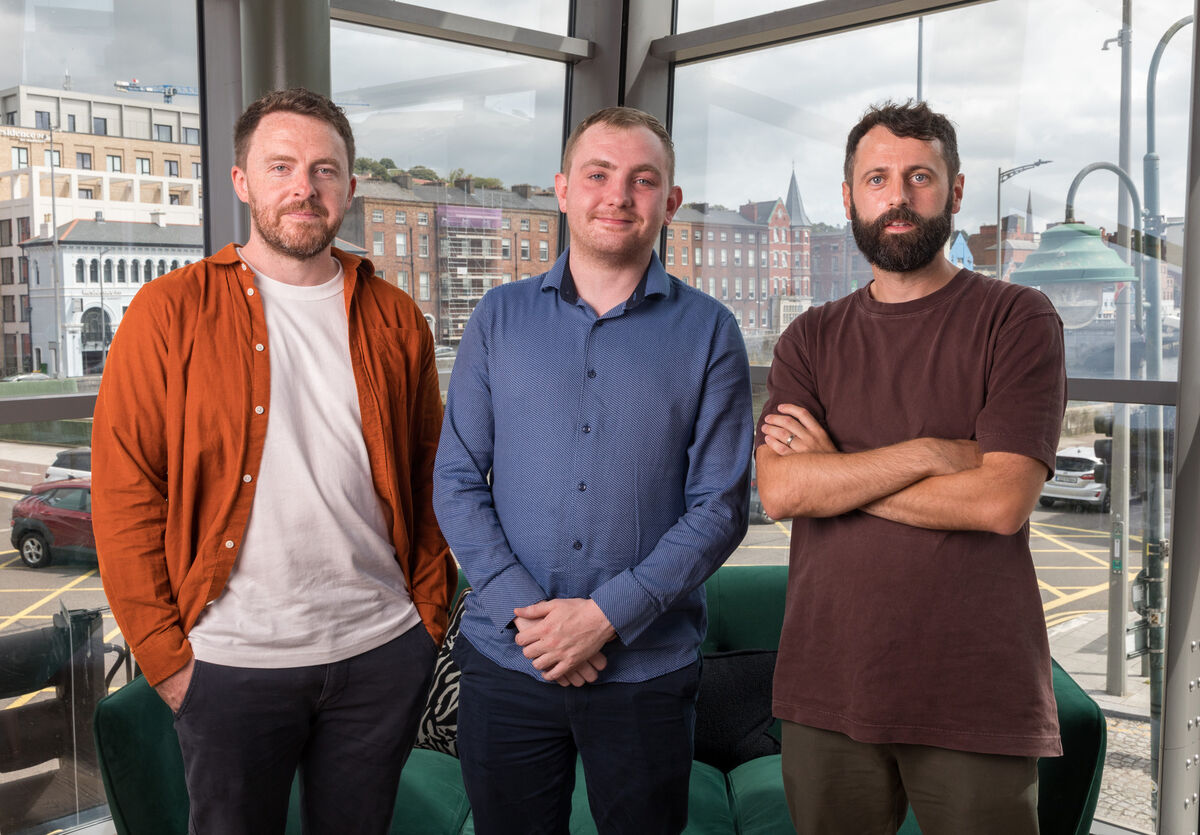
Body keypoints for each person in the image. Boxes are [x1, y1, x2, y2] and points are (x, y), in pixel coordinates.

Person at [91, 87, 456, 835]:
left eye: (325, 170)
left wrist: (427, 617)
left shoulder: (394, 315)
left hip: (381, 649)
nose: (304, 187)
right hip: (229, 664)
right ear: (241, 181)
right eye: (281, 165)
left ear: (349, 188)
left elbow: (432, 473)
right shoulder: (168, 310)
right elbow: (127, 496)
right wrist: (166, 660)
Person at [432, 106, 752, 835]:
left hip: (646, 668)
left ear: (669, 202)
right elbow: (455, 478)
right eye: (599, 174)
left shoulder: (710, 332)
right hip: (507, 661)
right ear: (562, 189)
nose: (618, 195)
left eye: (643, 180)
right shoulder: (497, 317)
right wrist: (531, 615)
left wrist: (606, 618)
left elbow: (720, 508)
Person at [755, 100, 1066, 835]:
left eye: (919, 177)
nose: (897, 197)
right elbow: (781, 488)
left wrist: (838, 474)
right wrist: (929, 453)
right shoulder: (810, 338)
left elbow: (999, 501)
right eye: (877, 178)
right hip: (827, 690)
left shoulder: (1018, 319)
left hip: (975, 696)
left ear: (955, 192)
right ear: (848, 197)